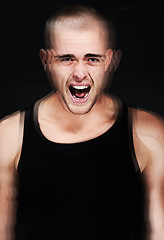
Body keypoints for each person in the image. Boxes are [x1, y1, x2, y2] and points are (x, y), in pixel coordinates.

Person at [0, 3, 164, 240]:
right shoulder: (8, 137)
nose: (79, 73)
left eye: (92, 59)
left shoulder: (149, 135)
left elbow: (159, 232)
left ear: (110, 60)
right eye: (67, 58)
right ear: (46, 60)